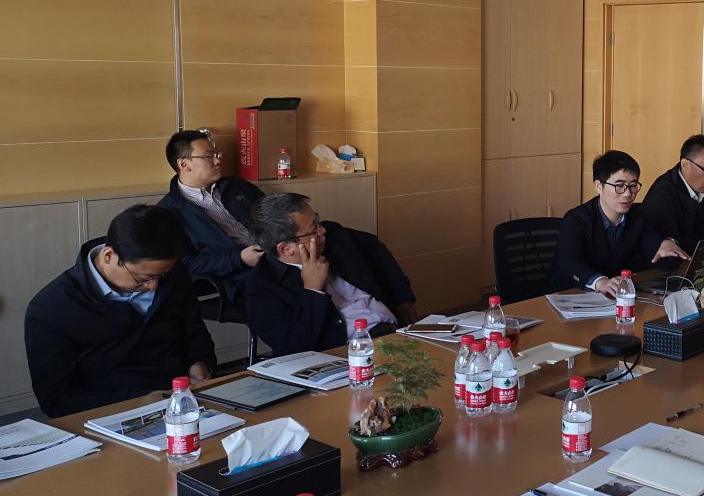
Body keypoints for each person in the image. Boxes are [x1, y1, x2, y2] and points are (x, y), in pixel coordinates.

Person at [24, 205, 217, 418]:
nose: (154, 286)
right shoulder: (51, 308)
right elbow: (57, 400)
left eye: (161, 276)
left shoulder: (172, 273)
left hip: (181, 401)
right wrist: (140, 401)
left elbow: (194, 331)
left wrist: (199, 363)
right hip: (110, 413)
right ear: (109, 256)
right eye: (142, 279)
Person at [245, 193, 419, 356]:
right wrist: (313, 291)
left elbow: (375, 249)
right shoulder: (261, 288)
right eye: (314, 229)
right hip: (349, 355)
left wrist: (402, 299)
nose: (322, 231)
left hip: (394, 331)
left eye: (317, 221)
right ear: (286, 248)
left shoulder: (335, 235)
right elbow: (294, 349)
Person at [553, 150, 691, 296]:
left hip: (614, 296)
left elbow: (655, 252)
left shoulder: (638, 217)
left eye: (633, 185)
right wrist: (600, 282)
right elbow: (569, 263)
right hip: (570, 294)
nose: (627, 193)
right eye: (619, 186)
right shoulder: (576, 220)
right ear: (599, 186)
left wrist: (666, 245)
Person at [157, 129, 264, 303]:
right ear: (184, 164)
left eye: (216, 154)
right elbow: (186, 264)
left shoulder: (237, 186)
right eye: (208, 156)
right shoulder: (168, 212)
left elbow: (272, 214)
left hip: (274, 255)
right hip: (238, 276)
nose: (217, 160)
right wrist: (239, 259)